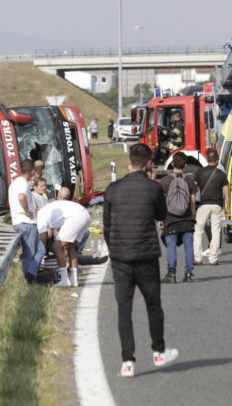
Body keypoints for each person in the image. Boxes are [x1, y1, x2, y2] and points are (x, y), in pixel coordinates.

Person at [104, 143, 178, 378]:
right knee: (153, 304)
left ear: (128, 162)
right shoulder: (152, 188)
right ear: (148, 164)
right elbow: (161, 215)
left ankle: (127, 362)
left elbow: (107, 226)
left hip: (120, 258)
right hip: (146, 256)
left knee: (124, 309)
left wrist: (114, 247)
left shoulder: (112, 189)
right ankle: (159, 351)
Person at [37, 187, 91, 287]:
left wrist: (39, 256)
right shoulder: (49, 208)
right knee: (71, 246)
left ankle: (64, 280)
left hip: (76, 216)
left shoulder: (40, 215)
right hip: (85, 214)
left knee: (56, 247)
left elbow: (42, 240)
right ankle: (74, 280)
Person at [159, 152, 197, 283]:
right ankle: (188, 274)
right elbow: (192, 202)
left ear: (172, 163)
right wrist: (192, 217)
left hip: (171, 218)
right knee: (188, 246)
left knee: (171, 247)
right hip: (186, 218)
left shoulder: (165, 181)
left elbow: (162, 202)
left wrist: (160, 219)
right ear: (185, 165)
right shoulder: (189, 181)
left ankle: (171, 274)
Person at [9, 159, 48, 285]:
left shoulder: (15, 182)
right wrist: (27, 211)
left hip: (24, 223)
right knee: (29, 254)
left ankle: (31, 273)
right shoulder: (22, 183)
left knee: (41, 250)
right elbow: (21, 197)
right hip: (25, 223)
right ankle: (28, 282)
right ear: (32, 171)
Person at [193, 149, 230, 266]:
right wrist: (228, 208)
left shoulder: (199, 172)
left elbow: (193, 190)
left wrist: (192, 207)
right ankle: (213, 259)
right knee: (216, 230)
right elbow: (227, 192)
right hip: (217, 205)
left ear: (207, 159)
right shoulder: (221, 174)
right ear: (217, 160)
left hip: (203, 204)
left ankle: (198, 258)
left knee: (198, 230)